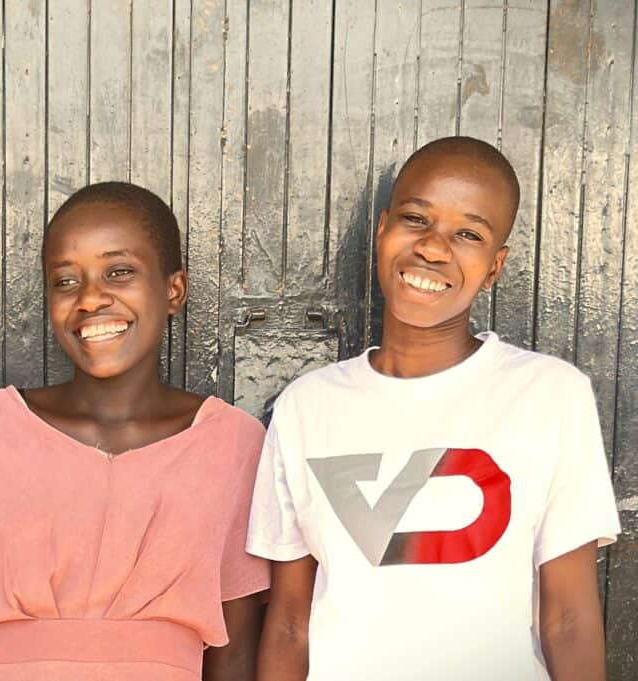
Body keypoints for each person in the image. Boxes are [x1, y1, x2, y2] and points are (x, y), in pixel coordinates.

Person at [248, 136, 621, 681]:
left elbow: (568, 619)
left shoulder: (549, 395)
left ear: (494, 267)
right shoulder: (308, 406)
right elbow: (288, 626)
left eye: (468, 233)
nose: (433, 247)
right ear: (381, 230)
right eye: (415, 219)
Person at [0, 182, 270, 681]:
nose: (91, 299)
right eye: (65, 281)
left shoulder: (233, 444)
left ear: (173, 290)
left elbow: (236, 650)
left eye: (118, 272)